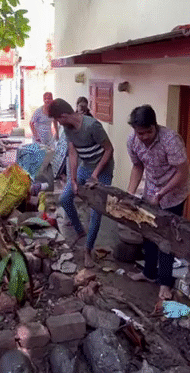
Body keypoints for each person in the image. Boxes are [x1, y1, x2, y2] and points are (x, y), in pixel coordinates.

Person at [126, 105, 190, 301]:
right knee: (148, 232)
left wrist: (162, 194)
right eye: (141, 133)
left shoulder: (170, 140)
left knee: (166, 237)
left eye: (148, 131)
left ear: (155, 126)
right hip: (152, 189)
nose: (145, 136)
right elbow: (137, 166)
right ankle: (148, 273)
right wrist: (130, 193)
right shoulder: (132, 141)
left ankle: (165, 283)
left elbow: (182, 173)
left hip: (175, 191)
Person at [48, 98, 114, 268]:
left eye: (57, 119)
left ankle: (88, 251)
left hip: (102, 169)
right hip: (85, 167)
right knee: (64, 198)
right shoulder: (67, 128)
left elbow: (109, 150)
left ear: (63, 115)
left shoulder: (92, 126)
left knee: (95, 212)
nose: (58, 123)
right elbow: (72, 153)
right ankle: (80, 232)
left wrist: (95, 174)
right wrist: (74, 180)